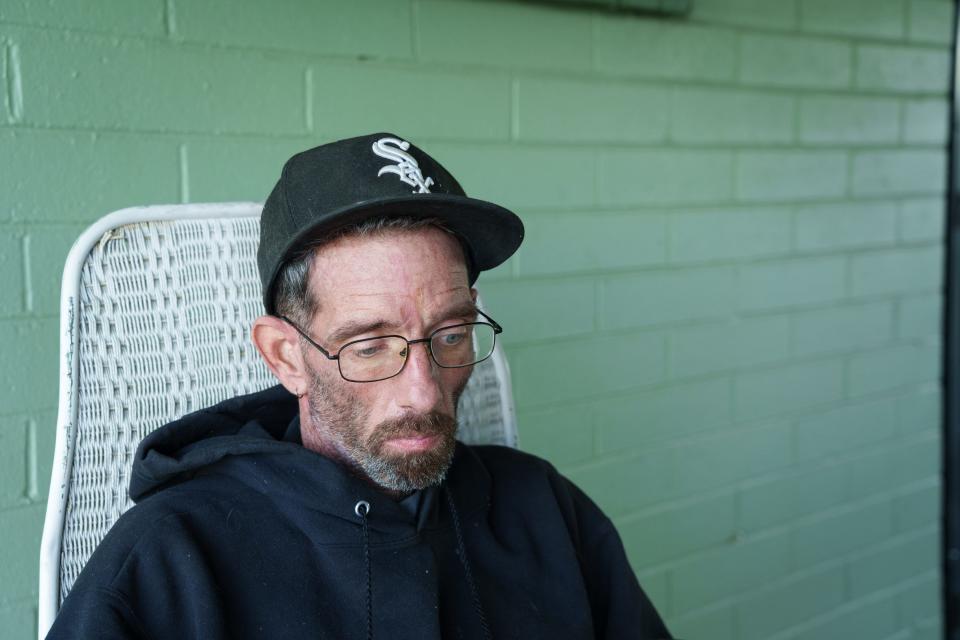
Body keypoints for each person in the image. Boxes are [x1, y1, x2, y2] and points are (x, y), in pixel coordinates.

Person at [47, 133, 673, 639]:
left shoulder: (545, 510)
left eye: (451, 334)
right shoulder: (170, 563)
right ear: (286, 356)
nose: (424, 394)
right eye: (370, 347)